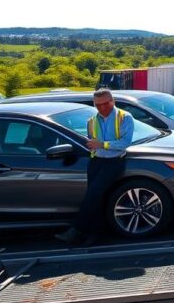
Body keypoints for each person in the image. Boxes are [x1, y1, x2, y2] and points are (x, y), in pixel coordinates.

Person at [56, 89, 134, 245]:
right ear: (94, 104)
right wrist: (92, 147)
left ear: (113, 101)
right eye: (98, 105)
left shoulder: (124, 117)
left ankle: (76, 230)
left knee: (93, 195)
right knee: (95, 198)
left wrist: (102, 144)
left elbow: (125, 143)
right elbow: (92, 143)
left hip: (114, 162)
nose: (102, 108)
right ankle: (95, 234)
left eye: (106, 103)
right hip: (96, 161)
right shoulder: (91, 121)